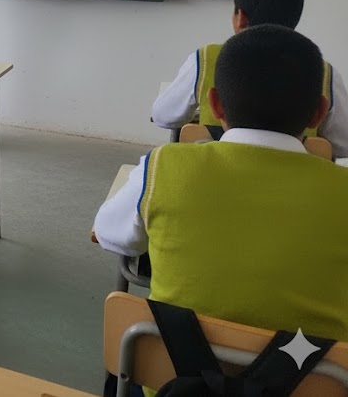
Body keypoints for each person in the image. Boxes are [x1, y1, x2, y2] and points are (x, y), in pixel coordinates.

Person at [95, 25, 348, 342]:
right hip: (309, 370)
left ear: (214, 105)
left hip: (173, 366)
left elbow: (110, 235)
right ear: (319, 113)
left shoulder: (163, 167)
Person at [153, 0, 348, 154]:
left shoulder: (205, 59)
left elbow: (163, 116)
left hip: (216, 170)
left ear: (241, 18)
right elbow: (344, 144)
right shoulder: (323, 71)